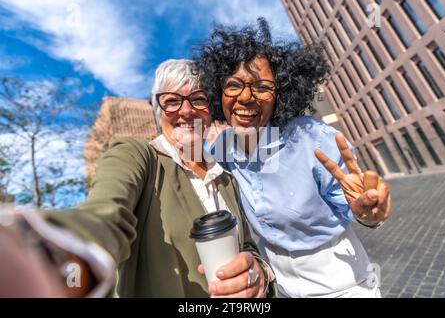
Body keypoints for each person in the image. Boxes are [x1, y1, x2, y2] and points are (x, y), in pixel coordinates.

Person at [1, 59, 275, 298]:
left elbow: (250, 247)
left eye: (198, 99)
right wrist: (53, 251)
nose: (187, 110)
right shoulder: (137, 156)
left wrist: (258, 276)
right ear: (158, 114)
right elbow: (107, 214)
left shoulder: (227, 178)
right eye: (171, 101)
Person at [193, 18, 392, 297]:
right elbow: (196, 172)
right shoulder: (222, 148)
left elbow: (357, 206)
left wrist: (368, 214)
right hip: (277, 288)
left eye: (262, 86)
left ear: (281, 94)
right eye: (234, 85)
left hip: (344, 286)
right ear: (219, 92)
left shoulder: (315, 139)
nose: (247, 97)